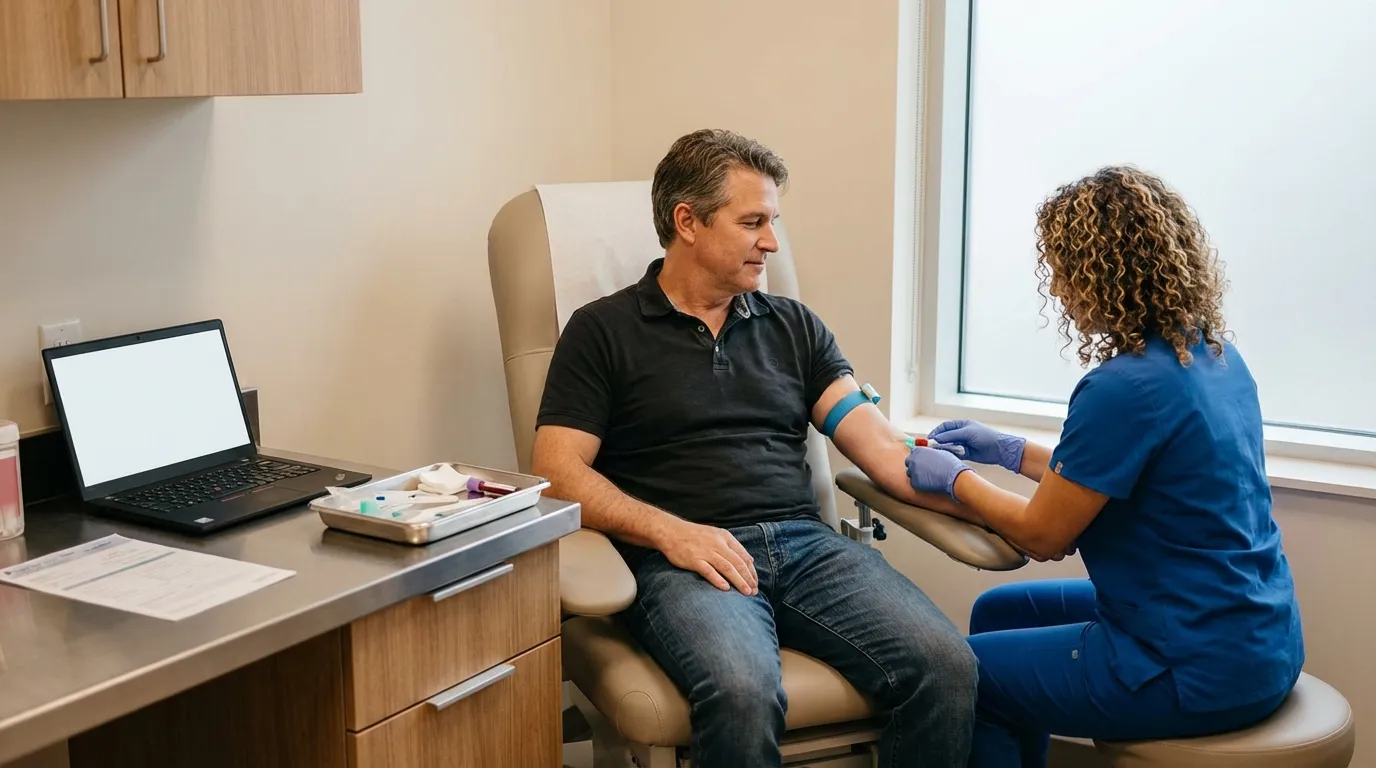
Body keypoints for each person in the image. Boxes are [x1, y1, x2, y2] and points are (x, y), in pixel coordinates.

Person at [532, 128, 978, 767]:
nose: (771, 241)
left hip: (806, 548)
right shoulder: (602, 331)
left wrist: (1009, 506)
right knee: (742, 692)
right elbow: (555, 470)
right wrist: (671, 532)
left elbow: (882, 451)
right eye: (752, 222)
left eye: (773, 223)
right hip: (682, 558)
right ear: (688, 221)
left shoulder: (794, 328)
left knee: (946, 666)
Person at [904, 166, 1305, 767]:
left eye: (1062, 270)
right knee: (998, 612)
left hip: (1191, 664)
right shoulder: (1215, 358)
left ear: (1104, 271)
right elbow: (1119, 477)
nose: (1057, 289)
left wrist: (957, 481)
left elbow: (1044, 535)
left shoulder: (1122, 387)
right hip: (1256, 637)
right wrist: (1010, 451)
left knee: (964, 676)